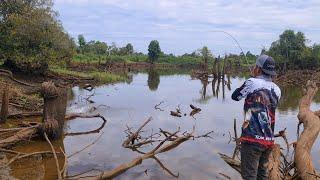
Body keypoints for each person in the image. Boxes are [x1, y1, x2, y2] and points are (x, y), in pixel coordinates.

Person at [231, 55, 281, 180]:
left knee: (249, 176)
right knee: (262, 175)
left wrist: (251, 79)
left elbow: (235, 96)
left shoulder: (251, 82)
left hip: (252, 139)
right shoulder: (277, 89)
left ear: (258, 69)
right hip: (268, 141)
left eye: (255, 66)